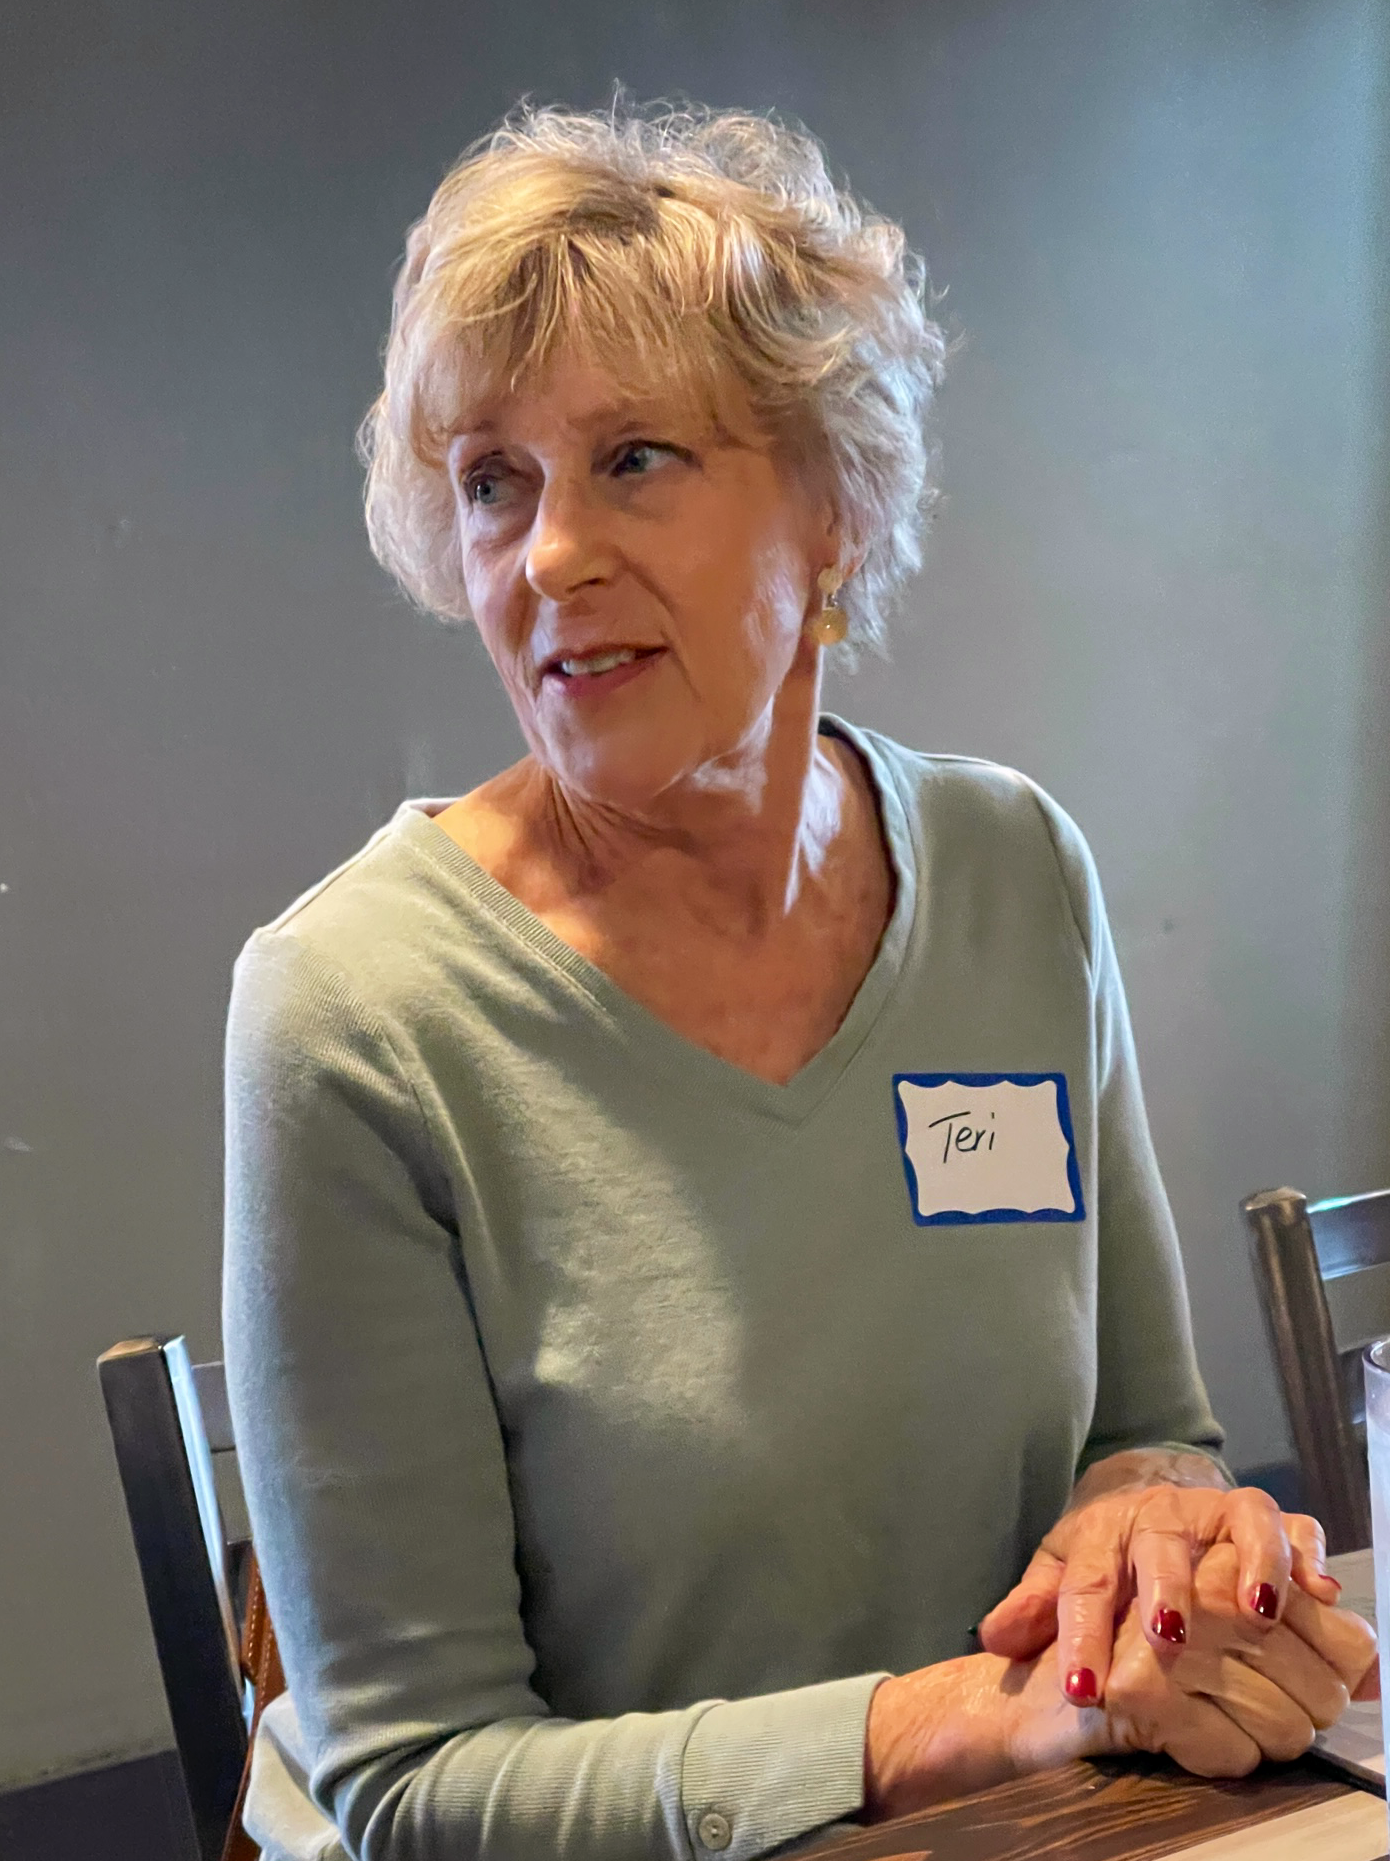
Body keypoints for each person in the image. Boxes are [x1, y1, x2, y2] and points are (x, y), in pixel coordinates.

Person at [222, 99, 1375, 1861]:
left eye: (634, 459)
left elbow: (1147, 1426)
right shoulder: (353, 1011)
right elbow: (417, 1783)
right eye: (492, 481)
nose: (548, 555)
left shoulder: (1010, 873)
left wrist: (1153, 1534)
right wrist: (949, 1723)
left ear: (834, 505)